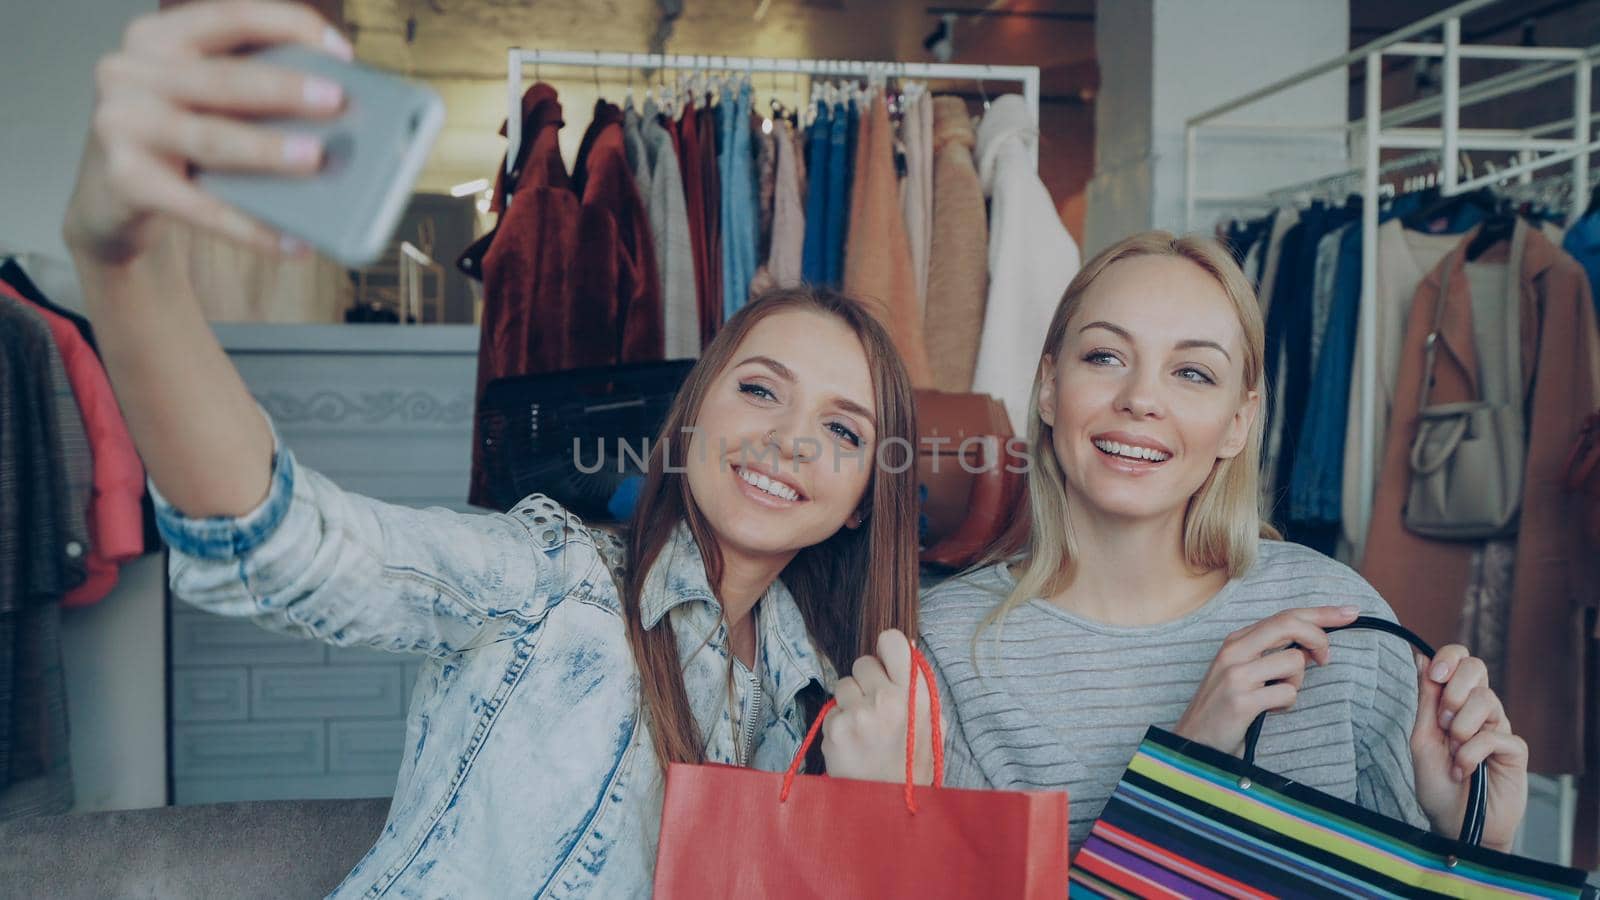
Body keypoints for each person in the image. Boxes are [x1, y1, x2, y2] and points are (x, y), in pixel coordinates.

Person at [62, 3, 920, 895]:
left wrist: (869, 809)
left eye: (842, 429)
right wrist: (124, 264)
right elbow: (288, 546)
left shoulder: (838, 702)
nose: (789, 439)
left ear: (863, 494)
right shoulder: (553, 582)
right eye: (759, 388)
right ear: (694, 413)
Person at [821, 231, 1529, 857]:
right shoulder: (950, 646)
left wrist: (1472, 836)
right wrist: (1187, 764)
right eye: (1104, 356)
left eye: (1193, 372)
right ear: (1047, 388)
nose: (1141, 398)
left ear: (1238, 422)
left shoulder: (1339, 620)